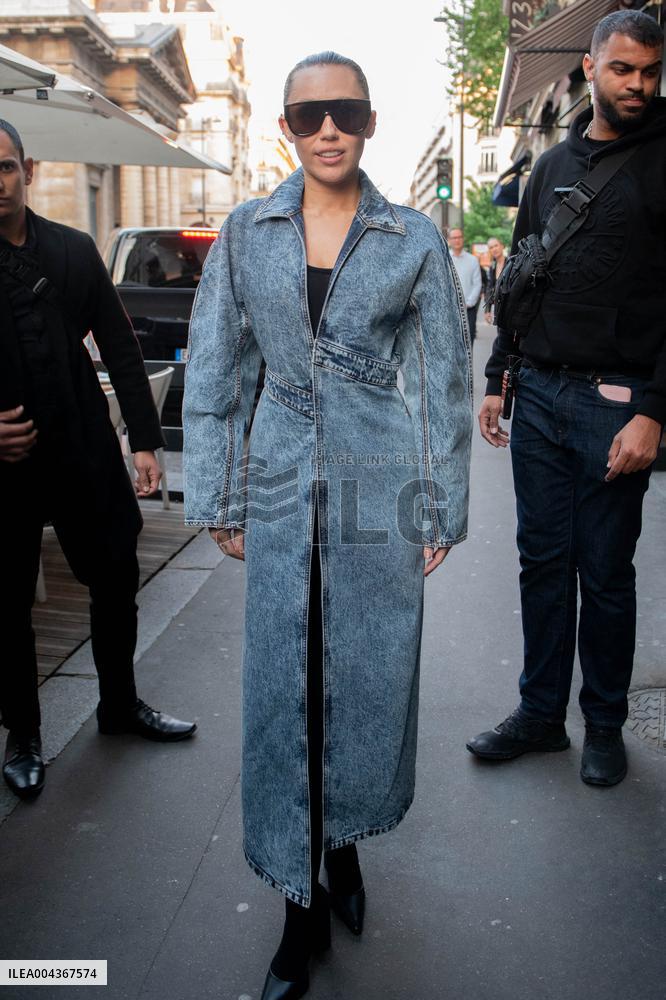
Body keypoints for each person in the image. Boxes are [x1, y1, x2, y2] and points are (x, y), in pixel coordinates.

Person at [183, 52, 472, 999]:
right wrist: (220, 492)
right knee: (285, 688)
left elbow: (440, 382)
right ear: (286, 128)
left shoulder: (413, 241)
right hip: (276, 481)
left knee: (366, 676)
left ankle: (343, 846)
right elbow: (218, 368)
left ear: (371, 121)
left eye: (345, 110)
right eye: (309, 115)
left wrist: (441, 502)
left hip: (377, 488)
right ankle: (294, 911)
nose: (328, 129)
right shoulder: (245, 231)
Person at [470, 10, 665, 787]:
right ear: (589, 68)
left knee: (606, 571)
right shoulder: (550, 166)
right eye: (623, 70)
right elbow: (521, 279)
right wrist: (496, 381)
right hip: (540, 398)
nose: (639, 86)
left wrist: (654, 407)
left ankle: (606, 724)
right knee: (540, 561)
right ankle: (541, 715)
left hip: (619, 403)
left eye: (650, 72)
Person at [0, 119, 196, 801]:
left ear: (27, 168)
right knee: (6, 602)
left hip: (82, 444)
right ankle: (22, 733)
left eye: (3, 168)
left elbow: (117, 343)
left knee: (115, 570)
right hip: (5, 464)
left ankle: (118, 704)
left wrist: (145, 441)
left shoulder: (72, 249)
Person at [448, 226, 482, 344]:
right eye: (454, 237)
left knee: (468, 342)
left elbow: (477, 284)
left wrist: (468, 303)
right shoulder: (445, 259)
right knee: (450, 344)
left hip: (468, 309)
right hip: (449, 309)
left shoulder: (473, 260)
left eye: (459, 237)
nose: (457, 240)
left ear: (463, 239)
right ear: (449, 240)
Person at [483, 235, 506, 325]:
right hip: (498, 309)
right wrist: (487, 310)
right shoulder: (492, 266)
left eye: (496, 245)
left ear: (502, 246)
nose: (494, 249)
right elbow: (489, 288)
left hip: (511, 308)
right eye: (491, 247)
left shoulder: (511, 262)